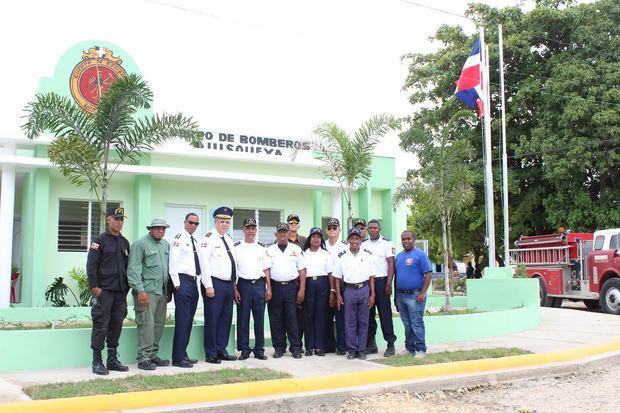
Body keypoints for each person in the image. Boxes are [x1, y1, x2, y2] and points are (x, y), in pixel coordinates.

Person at [87, 206, 130, 375]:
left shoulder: (124, 242)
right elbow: (91, 265)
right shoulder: (100, 241)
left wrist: (126, 289)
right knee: (101, 325)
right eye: (116, 219)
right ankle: (97, 361)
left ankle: (112, 359)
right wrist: (95, 288)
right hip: (104, 291)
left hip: (120, 292)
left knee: (116, 325)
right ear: (108, 220)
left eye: (121, 219)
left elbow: (127, 267)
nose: (119, 222)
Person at [127, 218, 171, 370]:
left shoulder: (165, 244)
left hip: (161, 292)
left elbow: (167, 268)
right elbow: (133, 269)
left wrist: (169, 289)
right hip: (146, 292)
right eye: (157, 228)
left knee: (158, 324)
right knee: (146, 324)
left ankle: (153, 355)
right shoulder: (140, 244)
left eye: (163, 228)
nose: (161, 231)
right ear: (150, 229)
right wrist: (140, 290)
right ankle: (143, 358)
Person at [198, 206, 238, 364]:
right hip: (214, 283)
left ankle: (221, 349)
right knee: (213, 318)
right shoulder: (208, 239)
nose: (225, 224)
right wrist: (208, 285)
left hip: (228, 284)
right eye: (222, 221)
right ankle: (211, 352)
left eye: (227, 221)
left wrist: (234, 285)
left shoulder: (228, 239)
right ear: (215, 221)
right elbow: (204, 264)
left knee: (226, 318)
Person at [266, 222, 306, 358]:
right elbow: (266, 271)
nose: (282, 234)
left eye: (285, 232)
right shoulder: (269, 250)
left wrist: (302, 290)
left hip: (291, 287)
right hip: (275, 287)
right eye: (280, 232)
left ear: (289, 233)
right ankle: (279, 347)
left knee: (292, 318)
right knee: (276, 319)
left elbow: (302, 270)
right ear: (276, 234)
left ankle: (295, 347)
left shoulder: (296, 249)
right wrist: (269, 288)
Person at [333, 228, 375, 360]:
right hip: (349, 290)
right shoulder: (342, 256)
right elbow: (337, 278)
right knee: (349, 321)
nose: (354, 241)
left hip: (364, 289)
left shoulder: (368, 255)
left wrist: (372, 294)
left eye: (357, 238)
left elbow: (371, 276)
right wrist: (338, 295)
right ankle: (352, 349)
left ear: (361, 240)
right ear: (348, 240)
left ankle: (361, 349)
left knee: (363, 321)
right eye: (352, 238)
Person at [233, 217, 272, 360]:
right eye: (248, 228)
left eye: (253, 228)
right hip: (243, 285)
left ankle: (259, 349)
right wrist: (234, 288)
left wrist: (269, 288)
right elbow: (233, 271)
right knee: (243, 318)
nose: (251, 230)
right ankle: (244, 348)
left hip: (259, 285)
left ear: (256, 230)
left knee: (259, 319)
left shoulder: (262, 248)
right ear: (243, 230)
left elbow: (266, 268)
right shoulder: (236, 247)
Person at [168, 213, 201, 368]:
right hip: (182, 281)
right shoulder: (179, 238)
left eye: (196, 223)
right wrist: (176, 283)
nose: (193, 225)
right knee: (182, 320)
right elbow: (173, 261)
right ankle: (178, 357)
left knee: (189, 320)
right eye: (191, 222)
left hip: (193, 281)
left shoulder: (194, 240)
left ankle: (184, 353)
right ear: (184, 222)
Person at [394, 230, 432, 358]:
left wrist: (423, 293)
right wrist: (395, 296)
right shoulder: (399, 256)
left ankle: (421, 349)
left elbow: (428, 274)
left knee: (416, 323)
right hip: (401, 295)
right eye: (403, 239)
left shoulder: (420, 255)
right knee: (407, 323)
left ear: (414, 239)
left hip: (415, 295)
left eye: (408, 239)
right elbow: (397, 276)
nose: (406, 241)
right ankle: (409, 348)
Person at [363, 219, 397, 357]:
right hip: (368, 283)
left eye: (375, 227)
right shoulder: (363, 244)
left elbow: (391, 264)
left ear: (379, 229)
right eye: (370, 228)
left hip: (382, 283)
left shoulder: (387, 244)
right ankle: (371, 344)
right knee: (369, 316)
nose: (372, 230)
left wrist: (389, 283)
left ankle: (390, 344)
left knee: (385, 315)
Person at [301, 227, 333, 356]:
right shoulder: (304, 253)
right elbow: (302, 272)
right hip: (309, 284)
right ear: (309, 239)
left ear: (321, 239)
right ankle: (309, 347)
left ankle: (319, 346)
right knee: (308, 316)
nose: (316, 239)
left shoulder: (326, 254)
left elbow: (330, 273)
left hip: (323, 284)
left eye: (318, 237)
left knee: (320, 316)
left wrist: (332, 290)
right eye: (313, 237)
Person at [325, 218, 348, 355]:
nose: (332, 230)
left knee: (341, 318)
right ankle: (329, 346)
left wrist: (335, 290)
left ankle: (342, 346)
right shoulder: (324, 245)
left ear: (340, 229)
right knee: (326, 317)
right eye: (330, 228)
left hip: (341, 285)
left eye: (335, 227)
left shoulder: (345, 245)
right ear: (327, 230)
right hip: (325, 284)